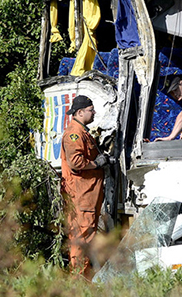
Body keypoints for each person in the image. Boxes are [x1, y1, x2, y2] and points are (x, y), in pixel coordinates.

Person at [60, 95, 109, 278]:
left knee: (86, 237)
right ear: (80, 112)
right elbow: (76, 162)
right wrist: (96, 164)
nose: (94, 112)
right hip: (81, 196)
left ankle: (83, 278)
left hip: (87, 196)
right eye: (91, 109)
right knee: (82, 238)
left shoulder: (83, 132)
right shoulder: (74, 134)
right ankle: (79, 280)